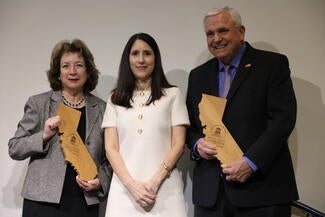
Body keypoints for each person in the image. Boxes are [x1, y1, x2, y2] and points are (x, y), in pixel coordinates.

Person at [186, 6, 298, 217]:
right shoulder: (198, 75)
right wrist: (197, 144)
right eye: (210, 34)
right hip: (212, 197)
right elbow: (191, 127)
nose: (216, 38)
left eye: (223, 31)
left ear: (241, 31)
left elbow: (283, 120)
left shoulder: (272, 65)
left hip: (262, 192)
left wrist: (251, 162)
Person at [8, 39, 112, 217]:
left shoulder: (103, 108)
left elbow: (110, 157)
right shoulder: (39, 103)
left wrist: (100, 181)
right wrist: (44, 135)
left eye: (79, 65)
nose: (72, 71)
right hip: (42, 201)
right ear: (58, 72)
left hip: (84, 202)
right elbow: (15, 148)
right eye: (66, 66)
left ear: (88, 71)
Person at [102, 32, 189, 217]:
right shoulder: (114, 98)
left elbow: (179, 144)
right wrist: (132, 186)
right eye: (135, 53)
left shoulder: (173, 95)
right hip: (123, 192)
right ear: (128, 59)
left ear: (155, 58)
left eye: (147, 53)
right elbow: (110, 148)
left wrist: (155, 182)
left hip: (165, 190)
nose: (141, 59)